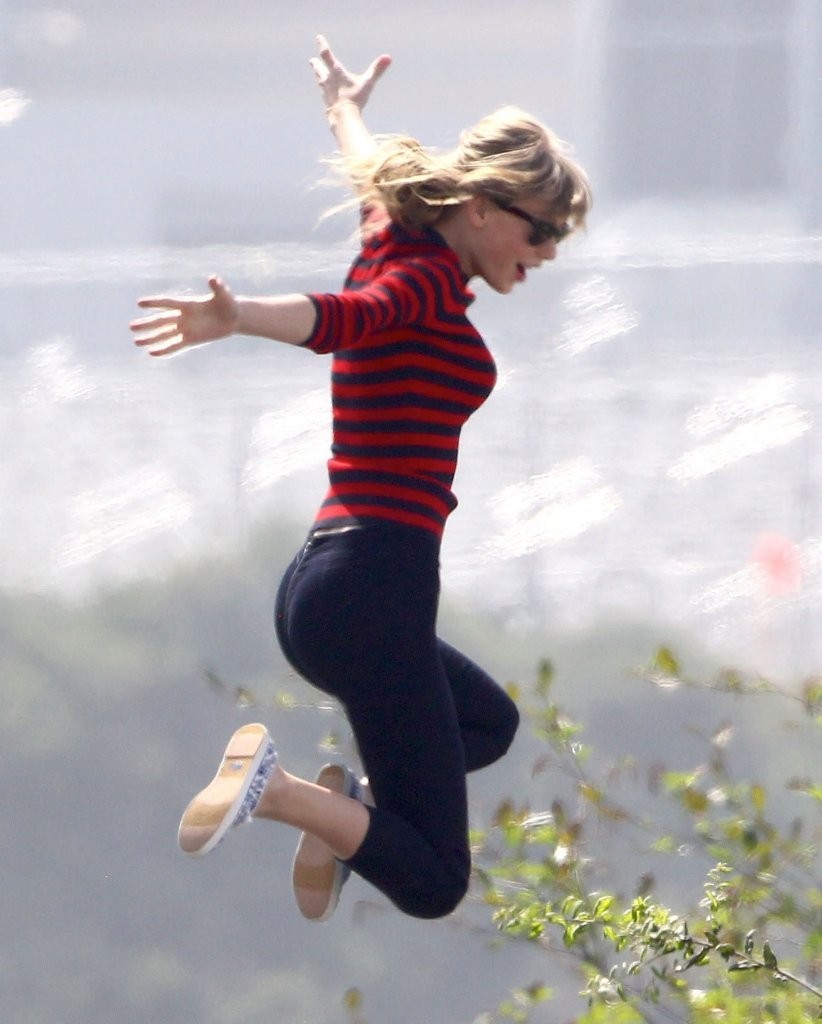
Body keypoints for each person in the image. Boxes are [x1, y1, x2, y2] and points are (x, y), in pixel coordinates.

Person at [130, 35, 591, 922]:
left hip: (327, 589)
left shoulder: (396, 238)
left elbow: (372, 179)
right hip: (377, 586)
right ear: (483, 208)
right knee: (436, 882)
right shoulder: (422, 280)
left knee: (487, 724)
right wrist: (238, 317)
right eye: (541, 230)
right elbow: (346, 318)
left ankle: (343, 812)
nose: (547, 252)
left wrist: (343, 107)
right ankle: (282, 793)